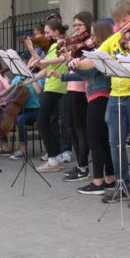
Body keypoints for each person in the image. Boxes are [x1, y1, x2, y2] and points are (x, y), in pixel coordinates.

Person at [74, 0, 130, 208]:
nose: (122, 24)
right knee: (115, 143)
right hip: (116, 96)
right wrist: (76, 62)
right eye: (118, 21)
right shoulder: (112, 40)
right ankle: (122, 186)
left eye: (125, 20)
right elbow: (94, 58)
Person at [53, 20, 116, 195]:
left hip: (99, 99)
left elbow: (87, 73)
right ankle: (110, 179)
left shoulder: (101, 53)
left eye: (94, 34)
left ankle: (97, 182)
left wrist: (71, 61)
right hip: (101, 98)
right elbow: (85, 75)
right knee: (103, 142)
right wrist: (66, 73)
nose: (92, 38)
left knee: (96, 142)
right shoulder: (101, 52)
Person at [24, 18, 69, 172]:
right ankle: (55, 157)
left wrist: (31, 48)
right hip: (51, 86)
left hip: (55, 87)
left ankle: (53, 160)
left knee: (42, 122)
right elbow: (46, 68)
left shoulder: (59, 45)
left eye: (48, 32)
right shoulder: (54, 46)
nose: (45, 35)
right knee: (47, 123)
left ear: (56, 32)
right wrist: (31, 80)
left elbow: (42, 63)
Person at [57, 11, 93, 182]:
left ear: (88, 25)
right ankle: (80, 164)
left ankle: (83, 167)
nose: (76, 29)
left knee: (80, 129)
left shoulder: (89, 45)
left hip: (81, 89)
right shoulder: (79, 43)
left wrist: (70, 54)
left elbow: (83, 68)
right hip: (72, 87)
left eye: (79, 25)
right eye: (75, 26)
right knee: (73, 128)